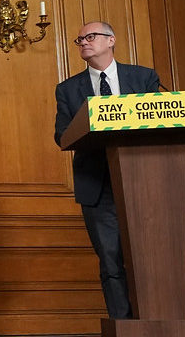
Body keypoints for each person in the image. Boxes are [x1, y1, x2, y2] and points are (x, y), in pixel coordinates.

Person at [54, 21, 159, 319]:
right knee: (111, 260)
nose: (84, 42)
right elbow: (62, 135)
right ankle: (123, 328)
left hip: (145, 181)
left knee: (151, 257)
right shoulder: (68, 89)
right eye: (80, 39)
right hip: (98, 186)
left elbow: (160, 123)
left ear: (111, 40)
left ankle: (158, 322)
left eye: (91, 36)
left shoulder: (144, 78)